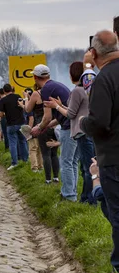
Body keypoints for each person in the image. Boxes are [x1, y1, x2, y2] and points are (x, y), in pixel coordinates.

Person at [79, 30, 119, 273]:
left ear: (93, 53)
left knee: (117, 215)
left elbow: (99, 122)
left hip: (114, 157)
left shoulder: (104, 80)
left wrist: (83, 122)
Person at [44, 62, 95, 204]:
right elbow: (79, 110)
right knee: (79, 165)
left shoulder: (77, 91)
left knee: (81, 166)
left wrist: (56, 107)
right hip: (86, 130)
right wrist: (60, 105)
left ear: (72, 74)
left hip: (80, 131)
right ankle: (82, 196)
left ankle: (83, 198)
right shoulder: (87, 89)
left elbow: (71, 114)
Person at [31, 64, 76, 201]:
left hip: (68, 128)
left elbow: (47, 116)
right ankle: (72, 192)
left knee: (66, 162)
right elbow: (58, 116)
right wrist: (47, 126)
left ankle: (68, 196)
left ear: (35, 77)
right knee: (73, 162)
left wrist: (38, 127)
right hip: (74, 125)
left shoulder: (46, 90)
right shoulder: (57, 85)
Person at [0, 84, 28, 170]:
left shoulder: (3, 100)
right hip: (21, 122)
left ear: (3, 91)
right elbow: (23, 107)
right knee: (23, 141)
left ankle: (14, 163)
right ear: (12, 89)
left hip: (11, 124)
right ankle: (25, 160)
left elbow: (1, 113)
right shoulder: (18, 96)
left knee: (13, 144)